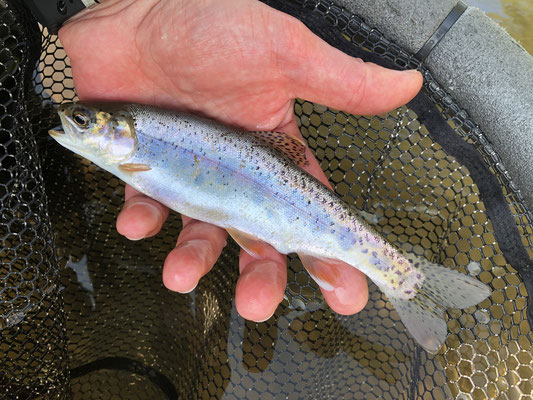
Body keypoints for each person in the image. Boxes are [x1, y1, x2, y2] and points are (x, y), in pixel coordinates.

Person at [58, 0, 422, 322]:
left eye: (82, 121)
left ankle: (400, 275)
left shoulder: (134, 157)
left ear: (122, 131)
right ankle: (402, 277)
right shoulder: (131, 153)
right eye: (81, 120)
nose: (72, 120)